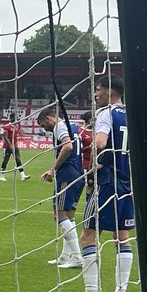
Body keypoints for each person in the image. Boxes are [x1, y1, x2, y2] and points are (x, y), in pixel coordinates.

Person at [64, 74, 133, 292]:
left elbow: (101, 143)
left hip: (107, 183)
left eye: (98, 89)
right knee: (122, 236)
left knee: (88, 235)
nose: (95, 94)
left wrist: (96, 158)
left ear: (110, 91)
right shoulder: (131, 114)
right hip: (128, 184)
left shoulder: (106, 113)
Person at [37, 106, 83, 269]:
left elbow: (68, 147)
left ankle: (77, 257)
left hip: (68, 174)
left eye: (43, 124)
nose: (44, 128)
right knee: (69, 217)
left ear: (49, 118)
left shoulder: (59, 126)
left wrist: (53, 169)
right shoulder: (74, 126)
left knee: (59, 215)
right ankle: (65, 256)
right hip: (78, 173)